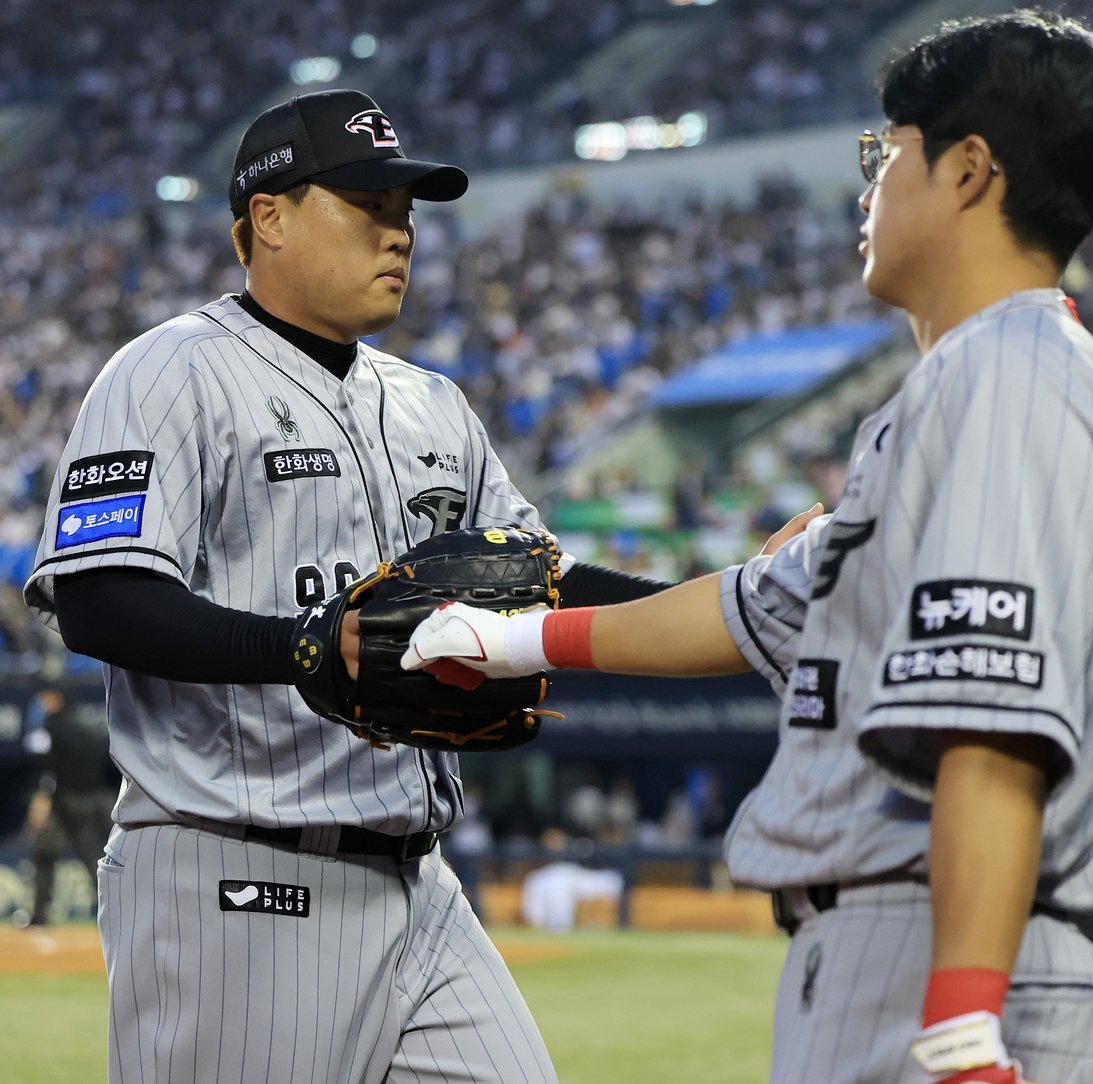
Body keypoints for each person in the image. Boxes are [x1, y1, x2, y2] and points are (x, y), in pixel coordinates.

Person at [402, 12, 1093, 1083]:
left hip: (944, 954)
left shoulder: (1008, 377)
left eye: (883, 154)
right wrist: (507, 638)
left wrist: (962, 1026)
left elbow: (993, 727)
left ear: (968, 171)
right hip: (910, 938)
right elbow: (747, 606)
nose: (867, 187)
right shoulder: (969, 385)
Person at [22, 88, 696, 1084]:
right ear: (270, 217)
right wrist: (296, 647)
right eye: (367, 202)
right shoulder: (169, 371)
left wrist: (724, 599)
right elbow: (100, 595)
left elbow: (540, 582)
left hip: (417, 879)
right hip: (234, 875)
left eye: (407, 208)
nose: (401, 230)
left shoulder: (431, 403)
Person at [20, 687, 118, 928]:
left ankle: (38, 917)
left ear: (57, 699)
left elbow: (47, 767)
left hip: (63, 799)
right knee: (93, 856)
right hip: (95, 797)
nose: (42, 704)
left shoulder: (51, 725)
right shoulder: (87, 722)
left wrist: (42, 797)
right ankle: (116, 911)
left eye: (46, 698)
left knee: (47, 854)